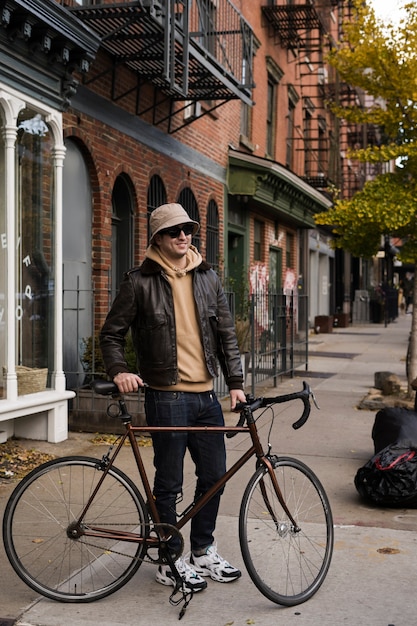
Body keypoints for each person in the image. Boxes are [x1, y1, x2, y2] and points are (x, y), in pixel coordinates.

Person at [99, 202, 247, 593]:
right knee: (169, 483)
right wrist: (119, 371)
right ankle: (170, 557)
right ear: (159, 239)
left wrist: (236, 382)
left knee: (214, 476)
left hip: (206, 397)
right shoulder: (139, 282)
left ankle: (203, 550)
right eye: (175, 231)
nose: (184, 236)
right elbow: (111, 334)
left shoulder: (208, 277)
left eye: (188, 230)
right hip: (166, 397)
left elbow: (226, 335)